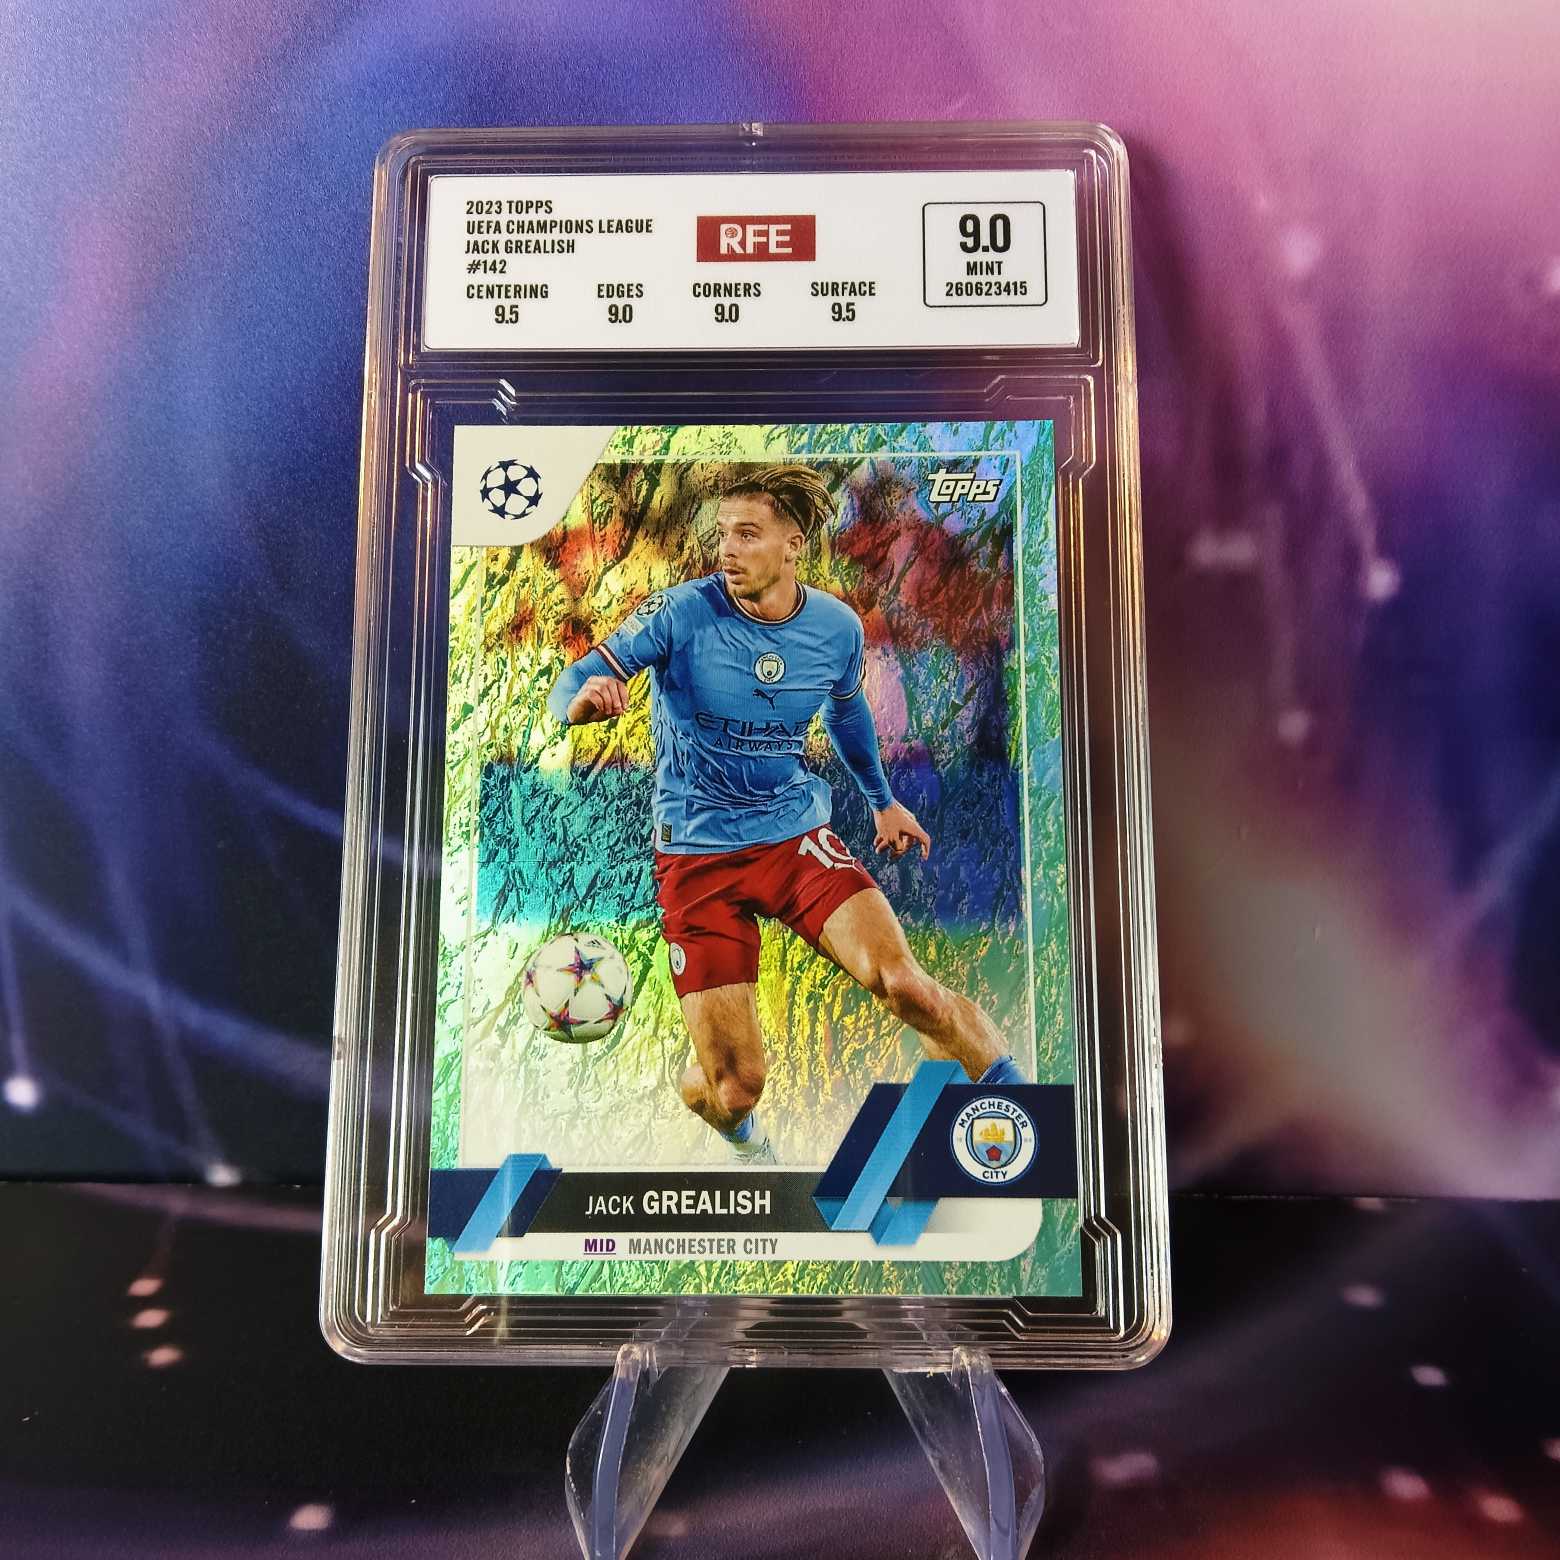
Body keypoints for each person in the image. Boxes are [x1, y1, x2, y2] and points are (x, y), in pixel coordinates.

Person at [547, 465, 1024, 1164]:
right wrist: (581, 703)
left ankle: (1022, 1119)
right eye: (723, 535)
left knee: (905, 987)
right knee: (735, 1089)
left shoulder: (835, 627)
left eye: (747, 534)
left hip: (793, 838)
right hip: (697, 857)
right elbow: (577, 678)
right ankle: (743, 1138)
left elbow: (846, 712)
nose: (728, 550)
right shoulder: (679, 613)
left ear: (793, 545)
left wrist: (882, 801)